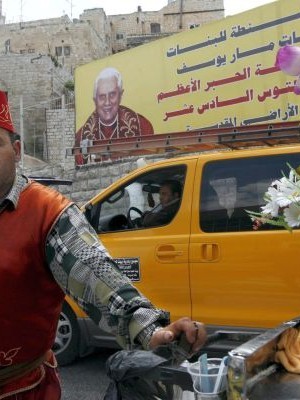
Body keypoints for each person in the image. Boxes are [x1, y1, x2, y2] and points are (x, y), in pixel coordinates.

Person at [0, 90, 206, 399]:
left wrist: (151, 331)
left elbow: (96, 275)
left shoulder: (48, 214)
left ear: (16, 150)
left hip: (21, 390)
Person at [75, 67, 154, 165]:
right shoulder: (81, 137)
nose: (107, 102)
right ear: (95, 100)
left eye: (112, 95)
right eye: (102, 96)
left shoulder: (142, 126)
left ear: (121, 95)